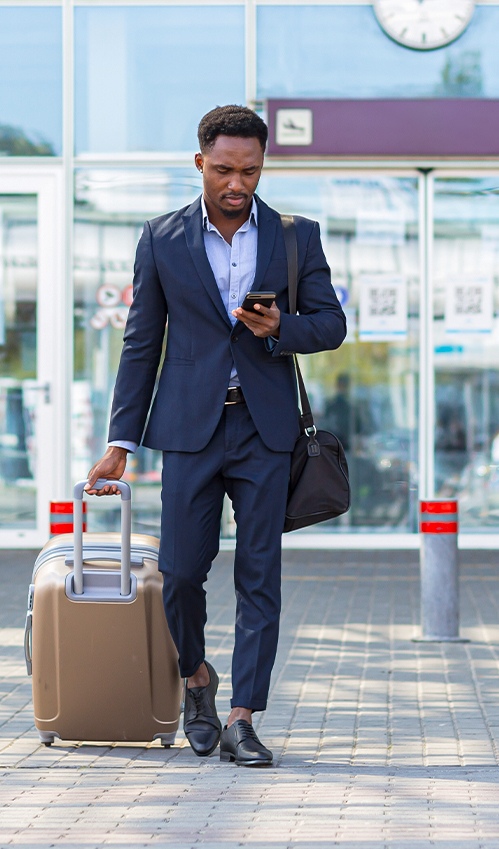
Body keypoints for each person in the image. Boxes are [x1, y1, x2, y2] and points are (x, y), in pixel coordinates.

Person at [86, 105, 346, 767]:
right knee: (178, 574)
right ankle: (198, 682)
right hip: (190, 431)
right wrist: (122, 441)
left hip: (265, 430)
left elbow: (330, 326)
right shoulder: (162, 238)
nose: (238, 183)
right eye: (225, 169)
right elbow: (141, 344)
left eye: (251, 171)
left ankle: (243, 718)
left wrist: (279, 327)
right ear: (200, 162)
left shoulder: (295, 237)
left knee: (260, 576)